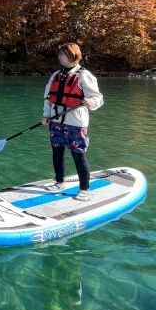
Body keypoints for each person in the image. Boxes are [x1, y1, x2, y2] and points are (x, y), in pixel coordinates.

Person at [41, 42, 103, 201]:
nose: (59, 57)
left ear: (72, 55)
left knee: (78, 154)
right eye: (59, 54)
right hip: (56, 121)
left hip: (75, 122)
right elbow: (48, 98)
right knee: (57, 152)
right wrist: (46, 115)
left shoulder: (84, 75)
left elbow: (97, 97)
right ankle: (59, 181)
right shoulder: (56, 75)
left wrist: (91, 102)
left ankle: (84, 189)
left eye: (62, 54)